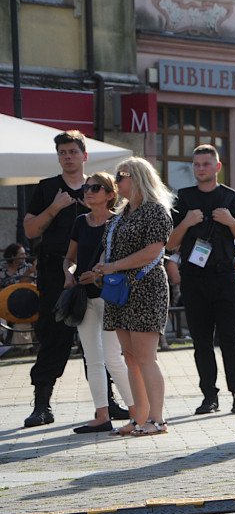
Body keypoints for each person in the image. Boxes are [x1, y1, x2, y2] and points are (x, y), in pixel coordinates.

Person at [23, 130, 121, 427]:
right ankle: (42, 405)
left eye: (73, 152)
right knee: (54, 335)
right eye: (63, 152)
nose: (68, 157)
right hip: (56, 272)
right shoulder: (47, 188)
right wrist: (55, 207)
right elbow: (29, 231)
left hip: (97, 273)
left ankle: (108, 404)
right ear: (59, 157)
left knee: (103, 341)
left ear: (84, 155)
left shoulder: (98, 185)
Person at [167, 145, 235, 416]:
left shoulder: (230, 197)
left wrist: (230, 222)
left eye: (206, 164)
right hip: (194, 279)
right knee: (201, 341)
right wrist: (186, 223)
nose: (200, 168)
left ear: (217, 167)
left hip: (224, 276)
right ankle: (209, 397)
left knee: (230, 338)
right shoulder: (182, 198)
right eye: (196, 164)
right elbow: (169, 243)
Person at [93, 158, 174, 437]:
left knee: (145, 357)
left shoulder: (155, 211)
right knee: (130, 357)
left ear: (138, 177)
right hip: (120, 290)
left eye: (122, 175)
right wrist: (101, 266)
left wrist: (113, 266)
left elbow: (154, 251)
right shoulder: (119, 216)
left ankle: (157, 420)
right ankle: (138, 419)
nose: (116, 181)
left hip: (146, 288)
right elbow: (108, 249)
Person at [62, 172, 135, 433]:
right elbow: (69, 259)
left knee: (113, 357)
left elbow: (124, 261)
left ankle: (137, 412)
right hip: (83, 297)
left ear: (110, 194)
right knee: (92, 358)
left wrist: (99, 273)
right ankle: (101, 415)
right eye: (86, 187)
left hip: (109, 296)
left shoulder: (118, 222)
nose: (88, 191)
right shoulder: (80, 222)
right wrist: (69, 276)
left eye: (95, 187)